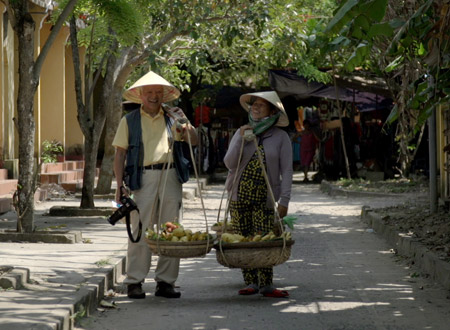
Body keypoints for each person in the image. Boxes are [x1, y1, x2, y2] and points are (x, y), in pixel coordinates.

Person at [112, 71, 198, 299]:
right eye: (149, 92)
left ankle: (166, 282)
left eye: (158, 92)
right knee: (139, 229)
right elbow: (119, 155)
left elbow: (195, 141)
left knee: (171, 230)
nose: (153, 96)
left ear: (164, 95)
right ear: (140, 95)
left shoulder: (173, 117)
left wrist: (185, 122)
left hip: (171, 176)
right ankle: (135, 281)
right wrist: (119, 185)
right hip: (142, 178)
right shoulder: (128, 120)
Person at [223, 91, 293, 298]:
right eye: (254, 104)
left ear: (272, 111)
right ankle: (250, 282)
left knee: (262, 239)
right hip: (238, 195)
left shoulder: (281, 137)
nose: (256, 107)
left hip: (265, 197)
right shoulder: (241, 132)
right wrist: (241, 139)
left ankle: (267, 285)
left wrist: (285, 201)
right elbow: (229, 163)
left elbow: (287, 171)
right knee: (244, 239)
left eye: (262, 105)